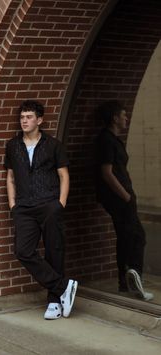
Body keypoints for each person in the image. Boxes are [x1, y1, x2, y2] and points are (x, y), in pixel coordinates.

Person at [5, 99, 78, 319]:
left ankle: (54, 302)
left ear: (39, 120)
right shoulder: (12, 146)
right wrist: (13, 206)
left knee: (54, 251)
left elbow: (64, 175)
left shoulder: (53, 145)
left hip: (49, 205)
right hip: (24, 208)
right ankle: (63, 285)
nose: (24, 121)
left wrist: (60, 204)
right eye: (22, 117)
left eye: (28, 117)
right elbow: (10, 178)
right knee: (23, 251)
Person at [95, 100, 153, 301]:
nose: (126, 118)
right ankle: (133, 277)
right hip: (120, 199)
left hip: (122, 198)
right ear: (114, 118)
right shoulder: (107, 140)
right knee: (137, 236)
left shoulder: (112, 139)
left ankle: (125, 280)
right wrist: (125, 196)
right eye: (123, 115)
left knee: (127, 236)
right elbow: (107, 172)